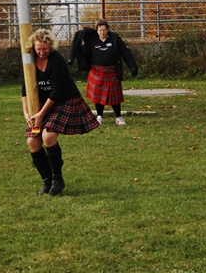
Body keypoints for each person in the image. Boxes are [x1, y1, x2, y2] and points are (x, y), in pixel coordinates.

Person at [22, 28, 99, 196]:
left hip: (64, 100)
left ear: (50, 46)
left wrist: (41, 114)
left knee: (48, 136)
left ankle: (58, 179)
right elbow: (25, 89)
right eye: (39, 49)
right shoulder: (30, 60)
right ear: (33, 47)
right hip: (42, 104)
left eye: (45, 49)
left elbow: (57, 91)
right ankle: (47, 181)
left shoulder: (57, 59)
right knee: (32, 142)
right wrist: (27, 113)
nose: (42, 52)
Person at [82, 19, 138, 126]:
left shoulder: (115, 40)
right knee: (98, 96)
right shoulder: (92, 41)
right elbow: (84, 53)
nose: (102, 32)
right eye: (100, 30)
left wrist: (133, 67)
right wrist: (82, 42)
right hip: (97, 72)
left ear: (107, 30)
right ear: (96, 31)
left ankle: (118, 117)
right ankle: (99, 116)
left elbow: (126, 53)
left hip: (112, 71)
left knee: (114, 97)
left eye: (104, 30)